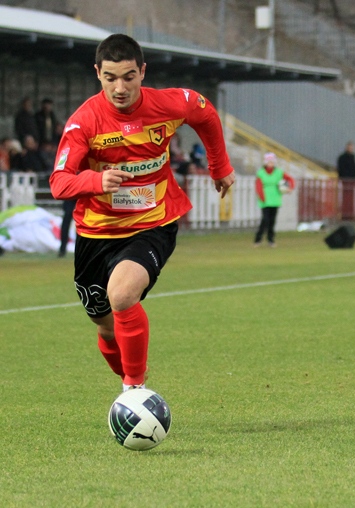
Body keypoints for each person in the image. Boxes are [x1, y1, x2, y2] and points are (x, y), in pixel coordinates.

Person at [49, 34, 235, 391]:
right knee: (105, 327)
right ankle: (130, 379)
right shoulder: (83, 122)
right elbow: (59, 182)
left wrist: (219, 166)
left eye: (129, 77)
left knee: (122, 295)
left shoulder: (168, 104)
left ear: (143, 72)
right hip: (97, 233)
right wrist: (96, 180)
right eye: (110, 78)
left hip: (153, 223)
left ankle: (134, 390)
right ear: (97, 74)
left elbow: (205, 112)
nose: (120, 88)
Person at [254, 152, 294, 248]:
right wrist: (262, 197)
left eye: (272, 162)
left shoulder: (279, 172)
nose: (270, 164)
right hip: (265, 200)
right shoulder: (261, 173)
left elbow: (290, 179)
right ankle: (258, 239)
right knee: (265, 220)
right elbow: (258, 186)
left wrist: (290, 188)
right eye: (269, 162)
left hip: (275, 199)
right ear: (265, 163)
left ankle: (271, 240)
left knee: (272, 221)